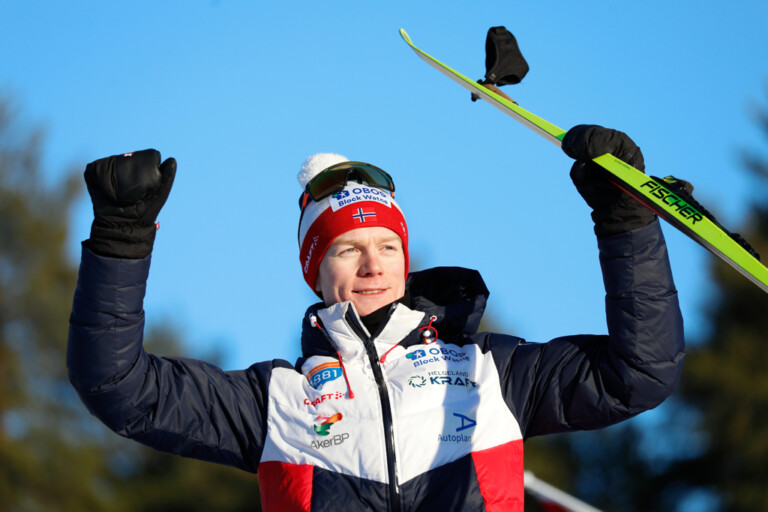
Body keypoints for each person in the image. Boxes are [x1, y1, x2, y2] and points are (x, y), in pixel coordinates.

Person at [68, 125, 685, 512]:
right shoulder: (277, 400)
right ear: (315, 270)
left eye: (388, 247)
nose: (373, 265)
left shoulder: (490, 371)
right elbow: (117, 388)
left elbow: (640, 372)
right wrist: (121, 241)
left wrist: (625, 222)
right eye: (347, 249)